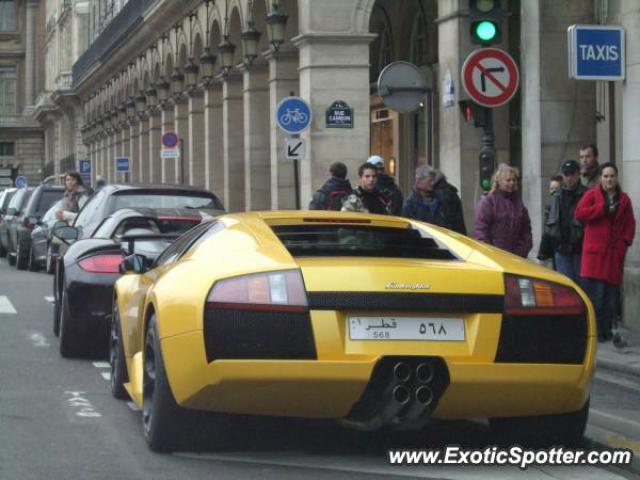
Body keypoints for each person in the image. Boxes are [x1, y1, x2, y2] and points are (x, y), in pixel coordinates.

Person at [575, 162, 635, 342]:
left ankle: (607, 330)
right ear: (601, 178)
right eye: (606, 176)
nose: (609, 180)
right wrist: (600, 209)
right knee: (596, 297)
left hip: (613, 255)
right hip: (594, 256)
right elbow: (579, 214)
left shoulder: (624, 199)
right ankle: (596, 331)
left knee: (610, 298)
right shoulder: (592, 195)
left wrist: (625, 242)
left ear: (616, 178)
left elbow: (630, 224)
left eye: (612, 176)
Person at [538, 160, 587, 282]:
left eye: (572, 174)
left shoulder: (587, 194)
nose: (569, 177)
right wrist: (544, 250)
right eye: (566, 174)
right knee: (566, 288)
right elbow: (549, 224)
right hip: (561, 249)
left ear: (578, 174)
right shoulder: (556, 196)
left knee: (582, 288)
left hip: (580, 249)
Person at [474, 163, 532, 258]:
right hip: (495, 256)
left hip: (517, 258)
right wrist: (491, 253)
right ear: (499, 181)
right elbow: (481, 232)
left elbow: (526, 232)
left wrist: (520, 252)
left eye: (514, 180)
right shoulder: (488, 202)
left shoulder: (519, 204)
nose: (512, 183)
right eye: (508, 180)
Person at [402, 165, 466, 234]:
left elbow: (452, 223)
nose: (432, 183)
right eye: (429, 181)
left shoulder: (442, 197)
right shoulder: (411, 202)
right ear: (419, 181)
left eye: (433, 180)